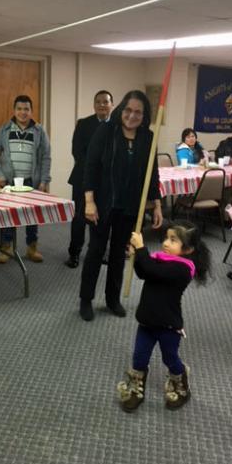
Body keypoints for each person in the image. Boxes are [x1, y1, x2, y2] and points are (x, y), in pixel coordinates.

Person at [78, 90, 163, 321]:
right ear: (121, 109)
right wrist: (89, 202)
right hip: (102, 205)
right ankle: (86, 300)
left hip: (129, 207)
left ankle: (112, 299)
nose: (131, 115)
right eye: (128, 110)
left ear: (144, 115)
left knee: (119, 254)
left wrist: (157, 205)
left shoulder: (148, 138)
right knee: (95, 252)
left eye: (138, 112)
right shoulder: (106, 131)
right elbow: (90, 167)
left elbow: (151, 174)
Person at [117, 221, 211, 412]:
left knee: (170, 359)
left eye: (173, 240)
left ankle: (181, 381)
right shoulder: (159, 259)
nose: (166, 243)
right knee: (139, 358)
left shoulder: (184, 269)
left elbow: (154, 271)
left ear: (188, 249)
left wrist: (142, 248)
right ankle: (136, 389)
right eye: (166, 238)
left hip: (168, 326)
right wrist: (137, 255)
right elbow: (145, 272)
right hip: (146, 321)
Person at [0, 95, 51, 263]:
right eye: (19, 109)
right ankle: (5, 248)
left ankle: (32, 248)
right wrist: (0, 176)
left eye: (26, 109)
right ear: (14, 111)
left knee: (32, 217)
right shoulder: (5, 130)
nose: (23, 112)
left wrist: (44, 181)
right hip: (9, 182)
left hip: (32, 182)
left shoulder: (39, 131)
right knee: (7, 216)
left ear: (31, 111)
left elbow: (46, 157)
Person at [65, 90, 114, 268]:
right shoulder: (84, 124)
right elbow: (76, 151)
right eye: (98, 102)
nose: (102, 105)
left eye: (106, 102)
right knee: (79, 218)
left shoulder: (117, 126)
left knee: (102, 219)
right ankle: (74, 253)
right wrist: (93, 169)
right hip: (82, 179)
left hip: (106, 183)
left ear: (112, 105)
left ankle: (99, 251)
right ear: (94, 105)